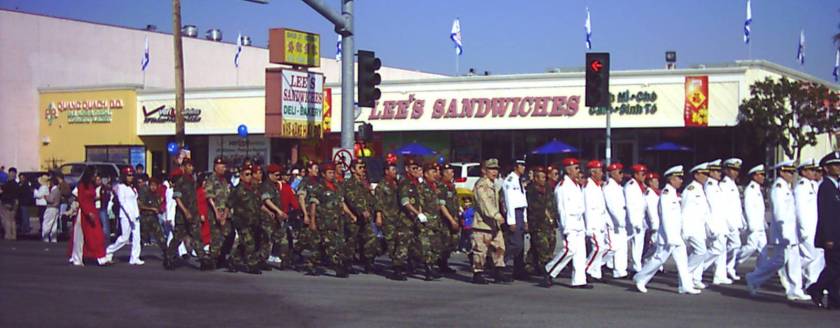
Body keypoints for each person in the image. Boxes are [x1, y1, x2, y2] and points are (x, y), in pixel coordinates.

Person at [746, 161, 811, 301]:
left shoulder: (785, 187)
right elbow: (779, 212)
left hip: (790, 233)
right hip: (784, 233)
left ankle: (795, 289)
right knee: (778, 261)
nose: (791, 175)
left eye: (792, 172)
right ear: (782, 172)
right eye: (789, 172)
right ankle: (753, 278)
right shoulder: (779, 187)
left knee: (792, 262)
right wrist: (785, 233)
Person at [634, 166, 700, 295]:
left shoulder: (673, 193)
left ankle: (685, 285)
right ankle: (640, 278)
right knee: (659, 259)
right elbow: (665, 217)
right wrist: (670, 236)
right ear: (671, 179)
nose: (681, 181)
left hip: (676, 235)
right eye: (678, 178)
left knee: (682, 260)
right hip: (668, 236)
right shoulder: (666, 194)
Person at [544, 158, 592, 289]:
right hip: (569, 223)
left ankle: (579, 280)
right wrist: (564, 227)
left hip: (579, 223)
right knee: (569, 250)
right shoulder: (563, 186)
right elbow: (562, 209)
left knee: (580, 253)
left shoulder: (575, 184)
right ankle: (549, 270)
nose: (578, 171)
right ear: (568, 170)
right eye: (576, 168)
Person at [306, 163, 354, 278]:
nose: (332, 175)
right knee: (329, 246)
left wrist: (351, 214)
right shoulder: (318, 188)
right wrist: (312, 221)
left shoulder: (337, 187)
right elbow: (313, 204)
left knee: (331, 245)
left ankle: (312, 263)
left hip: (336, 222)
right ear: (323, 174)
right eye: (329, 173)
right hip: (323, 222)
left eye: (333, 172)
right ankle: (337, 267)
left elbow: (341, 203)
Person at [806, 151, 840, 308]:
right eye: (835, 165)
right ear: (826, 168)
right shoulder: (826, 187)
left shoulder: (836, 186)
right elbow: (825, 214)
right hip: (831, 236)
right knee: (834, 267)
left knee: (835, 268)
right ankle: (815, 288)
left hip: (837, 234)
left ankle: (834, 300)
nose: (838, 168)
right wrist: (828, 237)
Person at [165, 159, 211, 271]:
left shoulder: (193, 181)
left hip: (193, 214)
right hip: (182, 215)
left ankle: (202, 260)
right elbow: (177, 198)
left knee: (197, 237)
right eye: (189, 166)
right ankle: (169, 258)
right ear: (184, 167)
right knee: (177, 238)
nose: (191, 168)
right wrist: (185, 212)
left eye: (192, 166)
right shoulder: (180, 181)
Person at [471, 158, 510, 284]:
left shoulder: (494, 184)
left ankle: (499, 272)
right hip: (482, 224)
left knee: (499, 248)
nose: (494, 172)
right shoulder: (481, 185)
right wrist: (496, 215)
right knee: (480, 250)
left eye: (496, 169)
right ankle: (478, 273)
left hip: (494, 225)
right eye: (491, 169)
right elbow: (485, 204)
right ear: (484, 170)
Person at [342, 159, 378, 274]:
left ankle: (369, 263)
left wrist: (373, 209)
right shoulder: (349, 184)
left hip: (366, 218)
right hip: (354, 217)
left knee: (370, 238)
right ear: (353, 169)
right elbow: (352, 199)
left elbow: (371, 200)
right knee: (351, 240)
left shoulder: (364, 183)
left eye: (363, 167)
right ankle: (347, 263)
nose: (363, 170)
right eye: (360, 167)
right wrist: (362, 211)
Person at [68, 167, 109, 266]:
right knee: (80, 237)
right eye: (94, 174)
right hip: (83, 213)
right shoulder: (81, 186)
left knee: (97, 236)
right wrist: (88, 212)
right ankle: (77, 258)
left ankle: (101, 257)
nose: (95, 176)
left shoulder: (91, 186)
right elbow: (81, 200)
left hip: (93, 211)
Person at [227, 164, 262, 275]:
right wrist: (225, 217)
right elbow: (229, 204)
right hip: (241, 221)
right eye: (247, 174)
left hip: (252, 221)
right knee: (249, 242)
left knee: (243, 244)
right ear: (241, 176)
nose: (249, 176)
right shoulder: (238, 190)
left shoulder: (253, 189)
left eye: (251, 174)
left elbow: (258, 204)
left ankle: (233, 260)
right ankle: (251, 265)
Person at [524, 166, 557, 286]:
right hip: (537, 224)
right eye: (542, 177)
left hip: (549, 224)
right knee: (543, 249)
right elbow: (531, 207)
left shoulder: (548, 189)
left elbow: (553, 204)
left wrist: (554, 218)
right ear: (536, 178)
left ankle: (530, 266)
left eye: (545, 177)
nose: (544, 179)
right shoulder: (530, 190)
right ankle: (546, 274)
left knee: (549, 246)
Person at [375, 161, 407, 280]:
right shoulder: (381, 186)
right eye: (392, 170)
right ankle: (396, 268)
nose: (395, 172)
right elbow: (378, 202)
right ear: (386, 171)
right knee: (392, 243)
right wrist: (378, 216)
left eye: (395, 170)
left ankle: (399, 265)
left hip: (398, 217)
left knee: (399, 242)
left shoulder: (397, 184)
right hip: (387, 218)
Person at [701, 159, 731, 285]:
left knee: (722, 250)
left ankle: (719, 275)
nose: (720, 173)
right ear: (711, 172)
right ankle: (698, 267)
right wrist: (712, 226)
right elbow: (710, 208)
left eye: (720, 171)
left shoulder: (717, 186)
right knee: (716, 249)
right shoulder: (710, 186)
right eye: (717, 171)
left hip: (721, 223)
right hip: (715, 223)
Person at [794, 159, 823, 290]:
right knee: (809, 256)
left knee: (817, 256)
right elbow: (800, 210)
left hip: (816, 226)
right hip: (807, 227)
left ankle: (812, 283)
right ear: (803, 172)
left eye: (815, 170)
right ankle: (789, 270)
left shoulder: (814, 185)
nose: (814, 173)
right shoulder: (801, 187)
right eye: (811, 170)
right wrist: (803, 230)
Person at [105, 167, 142, 265]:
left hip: (135, 214)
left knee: (137, 237)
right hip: (126, 215)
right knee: (124, 238)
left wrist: (136, 213)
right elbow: (122, 202)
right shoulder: (121, 187)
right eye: (129, 175)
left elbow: (135, 201)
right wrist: (130, 215)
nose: (131, 177)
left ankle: (135, 257)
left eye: (132, 175)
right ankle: (108, 250)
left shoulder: (133, 187)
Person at [683, 162, 711, 290]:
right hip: (692, 227)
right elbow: (684, 210)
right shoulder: (691, 190)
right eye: (704, 174)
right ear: (696, 174)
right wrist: (684, 229)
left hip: (700, 227)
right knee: (701, 251)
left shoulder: (700, 188)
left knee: (700, 252)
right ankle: (685, 275)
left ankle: (695, 278)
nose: (707, 176)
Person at [583, 160, 611, 281]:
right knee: (598, 248)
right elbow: (588, 208)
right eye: (599, 171)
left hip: (600, 223)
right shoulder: (588, 187)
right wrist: (589, 227)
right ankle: (585, 269)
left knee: (605, 247)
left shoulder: (598, 186)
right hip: (593, 224)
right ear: (592, 172)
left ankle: (595, 271)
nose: (602, 173)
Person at [736, 165, 767, 272]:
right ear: (754, 176)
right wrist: (751, 224)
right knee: (751, 247)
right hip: (754, 225)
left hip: (760, 225)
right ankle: (733, 261)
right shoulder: (751, 189)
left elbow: (760, 208)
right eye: (761, 174)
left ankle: (760, 272)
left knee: (764, 250)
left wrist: (763, 223)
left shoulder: (757, 189)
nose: (764, 177)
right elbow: (749, 208)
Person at [502, 159, 529, 280]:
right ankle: (499, 263)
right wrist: (511, 220)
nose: (523, 167)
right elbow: (509, 202)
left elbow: (523, 201)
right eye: (521, 165)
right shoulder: (510, 181)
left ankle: (519, 270)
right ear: (515, 167)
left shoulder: (519, 181)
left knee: (521, 245)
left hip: (520, 213)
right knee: (515, 244)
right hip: (514, 214)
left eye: (524, 165)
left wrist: (525, 219)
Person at [720, 158, 745, 281]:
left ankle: (727, 267)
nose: (735, 172)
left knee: (733, 245)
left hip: (735, 221)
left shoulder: (733, 184)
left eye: (737, 170)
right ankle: (725, 266)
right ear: (726, 170)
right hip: (728, 222)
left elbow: (736, 205)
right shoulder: (724, 185)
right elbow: (723, 206)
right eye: (733, 169)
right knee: (735, 244)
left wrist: (741, 220)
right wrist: (729, 223)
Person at [603, 162, 628, 278]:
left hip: (621, 222)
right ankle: (599, 266)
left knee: (622, 247)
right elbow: (612, 207)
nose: (622, 175)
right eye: (620, 172)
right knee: (615, 248)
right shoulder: (609, 188)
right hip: (614, 223)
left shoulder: (619, 187)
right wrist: (620, 221)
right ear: (612, 174)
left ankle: (621, 270)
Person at [437, 163, 461, 275]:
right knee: (444, 243)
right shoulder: (441, 187)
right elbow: (441, 205)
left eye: (452, 172)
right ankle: (440, 264)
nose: (452, 174)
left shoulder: (451, 186)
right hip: (444, 220)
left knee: (452, 242)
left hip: (453, 217)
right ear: (444, 174)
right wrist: (451, 220)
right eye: (450, 172)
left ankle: (444, 263)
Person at [624, 164, 649, 274]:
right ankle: (634, 266)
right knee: (631, 244)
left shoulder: (640, 186)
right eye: (642, 174)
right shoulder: (631, 186)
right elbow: (630, 205)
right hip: (633, 220)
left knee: (639, 245)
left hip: (640, 219)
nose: (644, 176)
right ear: (635, 174)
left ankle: (636, 266)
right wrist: (635, 222)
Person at [138, 177, 167, 260]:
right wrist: (152, 208)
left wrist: (159, 208)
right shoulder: (144, 192)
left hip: (154, 218)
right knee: (143, 237)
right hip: (145, 217)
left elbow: (157, 204)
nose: (153, 187)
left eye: (155, 185)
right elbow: (141, 205)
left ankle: (166, 254)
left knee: (160, 236)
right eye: (152, 185)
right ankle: (136, 254)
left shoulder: (156, 193)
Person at [643, 172, 661, 265]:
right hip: (653, 226)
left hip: (658, 224)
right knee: (654, 245)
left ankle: (655, 265)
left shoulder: (655, 194)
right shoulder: (649, 195)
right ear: (650, 182)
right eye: (655, 181)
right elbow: (652, 212)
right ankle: (646, 262)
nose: (657, 183)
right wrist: (654, 226)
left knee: (657, 246)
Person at [1, 167, 20, 240]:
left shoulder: (7, 184)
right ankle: (13, 235)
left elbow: (3, 191)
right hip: (15, 203)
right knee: (13, 220)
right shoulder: (16, 184)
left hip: (6, 203)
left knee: (7, 220)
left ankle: (8, 235)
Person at [41, 175, 61, 243]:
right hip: (56, 208)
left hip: (51, 208)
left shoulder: (54, 190)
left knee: (47, 223)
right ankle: (53, 238)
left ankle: (45, 237)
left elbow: (51, 199)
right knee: (54, 224)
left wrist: (45, 197)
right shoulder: (58, 190)